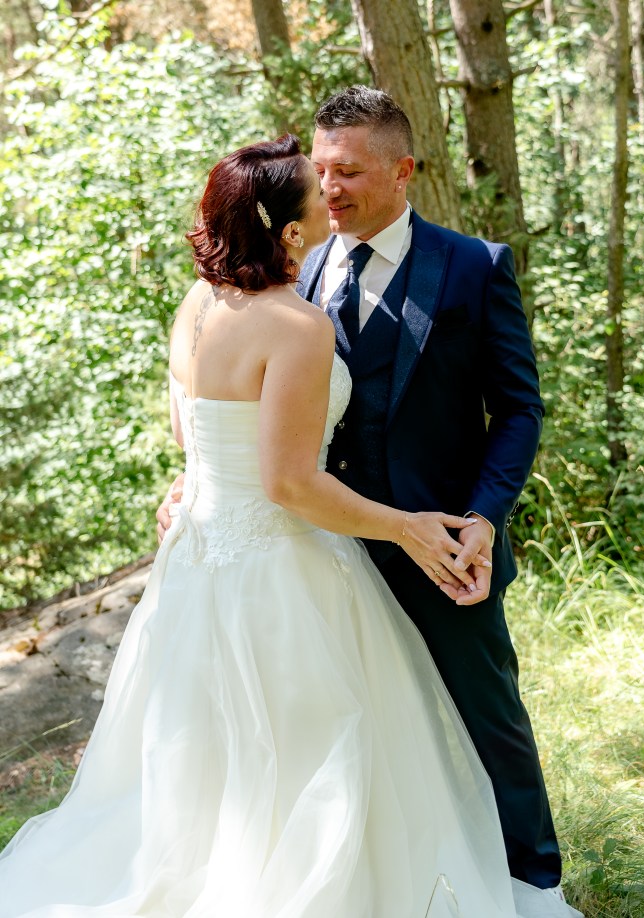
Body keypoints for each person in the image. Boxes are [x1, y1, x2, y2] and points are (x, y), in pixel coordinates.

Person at [0, 134, 529, 916]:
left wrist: (196, 484)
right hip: (287, 566)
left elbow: (195, 436)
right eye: (316, 190)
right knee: (319, 749)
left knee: (213, 757)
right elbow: (288, 483)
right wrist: (409, 527)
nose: (329, 194)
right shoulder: (298, 326)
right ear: (289, 232)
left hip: (199, 564)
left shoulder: (197, 304)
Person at [159, 90, 583, 918]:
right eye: (320, 172)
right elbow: (237, 404)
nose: (331, 187)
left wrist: (483, 522)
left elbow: (520, 411)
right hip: (315, 553)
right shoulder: (295, 266)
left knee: (488, 718)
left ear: (403, 170)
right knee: (343, 741)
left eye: (348, 170)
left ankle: (536, 886)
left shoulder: (474, 266)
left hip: (441, 543)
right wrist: (197, 480)